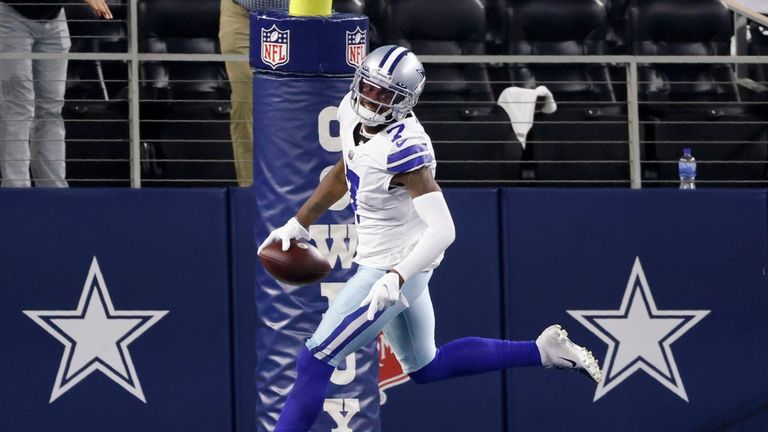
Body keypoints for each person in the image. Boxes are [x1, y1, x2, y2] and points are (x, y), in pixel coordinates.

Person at [258, 45, 602, 431]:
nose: (371, 99)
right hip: (390, 264)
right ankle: (543, 351)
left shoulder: (406, 150)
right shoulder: (350, 110)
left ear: (403, 102)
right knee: (426, 366)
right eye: (368, 88)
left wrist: (396, 277)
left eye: (384, 94)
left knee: (314, 361)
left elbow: (445, 230)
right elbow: (345, 169)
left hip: (390, 269)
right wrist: (299, 222)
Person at [0, 0, 111, 187]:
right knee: (18, 107)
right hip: (12, 14)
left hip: (53, 17)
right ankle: (16, 191)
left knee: (51, 108)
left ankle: (53, 191)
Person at [220, 0, 288, 187]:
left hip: (298, 11)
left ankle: (292, 187)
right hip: (240, 11)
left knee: (295, 99)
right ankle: (250, 190)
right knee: (246, 102)